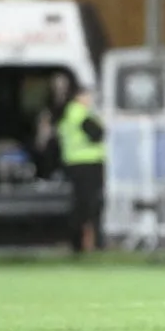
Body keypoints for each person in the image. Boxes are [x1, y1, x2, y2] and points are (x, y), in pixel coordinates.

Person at [57, 87, 105, 253]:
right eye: (87, 96)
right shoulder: (80, 115)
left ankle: (77, 243)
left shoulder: (68, 115)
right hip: (88, 163)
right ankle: (94, 243)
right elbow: (99, 134)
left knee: (79, 205)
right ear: (79, 97)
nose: (90, 99)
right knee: (90, 206)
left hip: (74, 164)